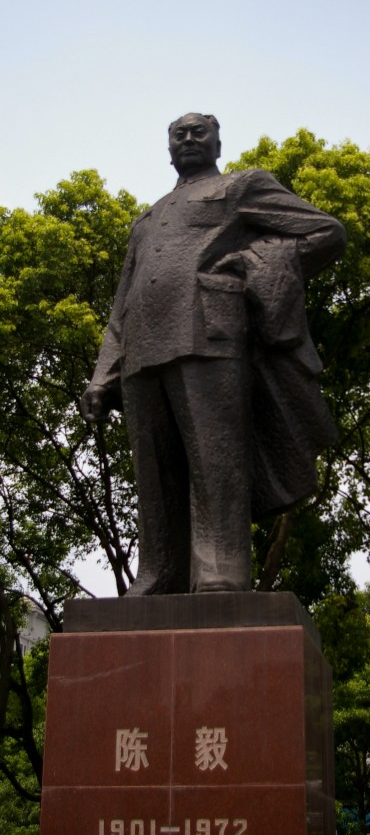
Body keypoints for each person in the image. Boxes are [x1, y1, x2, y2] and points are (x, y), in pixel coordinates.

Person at [81, 113, 346, 595]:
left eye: (197, 132)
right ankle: (159, 572)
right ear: (167, 148)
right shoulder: (149, 217)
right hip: (141, 352)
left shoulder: (241, 187)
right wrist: (103, 375)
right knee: (153, 471)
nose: (187, 139)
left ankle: (220, 568)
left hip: (209, 336)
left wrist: (249, 265)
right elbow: (121, 304)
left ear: (218, 142)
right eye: (177, 134)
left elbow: (325, 232)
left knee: (215, 458)